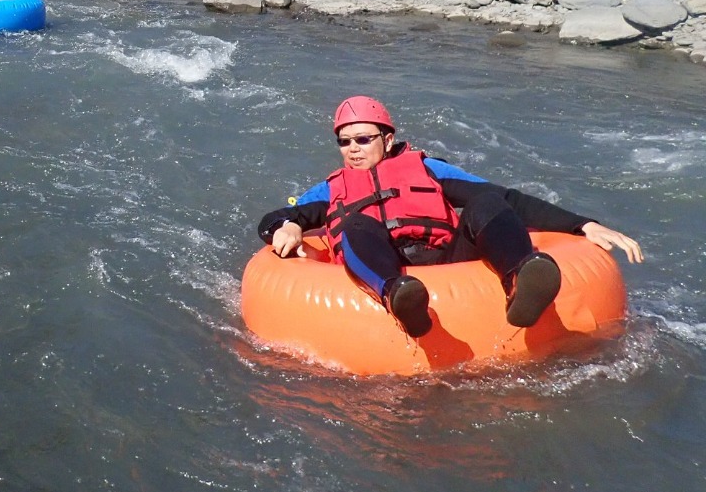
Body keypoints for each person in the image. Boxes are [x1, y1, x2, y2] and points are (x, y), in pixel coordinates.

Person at [255, 96, 643, 338]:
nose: (353, 149)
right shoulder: (330, 189)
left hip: (447, 257)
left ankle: (522, 278)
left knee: (486, 203)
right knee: (355, 224)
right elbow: (276, 217)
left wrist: (582, 224)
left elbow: (505, 198)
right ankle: (398, 298)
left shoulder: (427, 169)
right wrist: (287, 226)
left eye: (363, 139)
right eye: (344, 142)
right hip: (388, 270)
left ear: (387, 140)